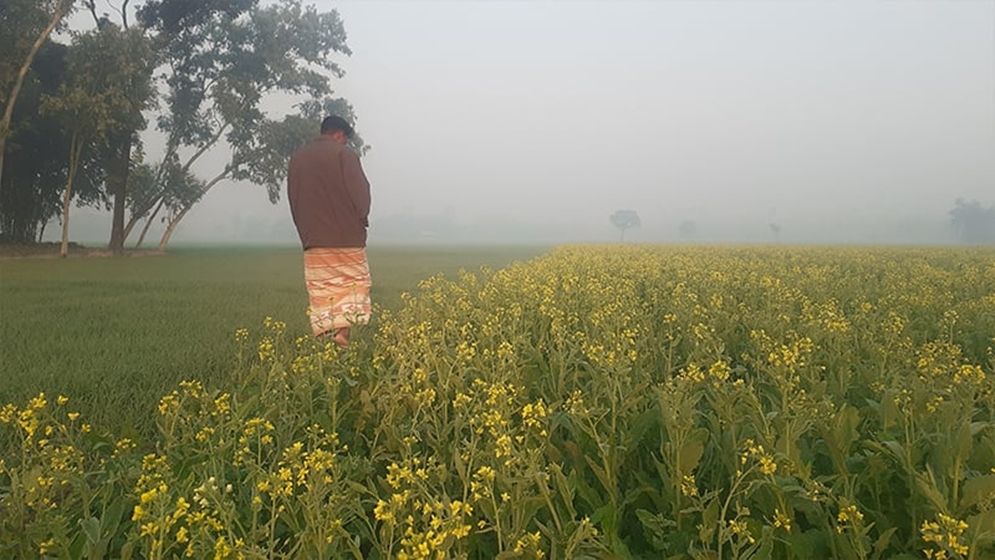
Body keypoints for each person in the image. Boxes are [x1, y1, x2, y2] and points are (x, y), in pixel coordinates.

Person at [287, 115, 372, 348]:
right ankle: (342, 335)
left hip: (314, 240)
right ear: (339, 135)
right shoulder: (344, 154)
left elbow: (293, 198)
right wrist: (361, 220)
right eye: (344, 139)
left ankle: (326, 341)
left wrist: (305, 231)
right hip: (348, 238)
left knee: (323, 290)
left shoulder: (297, 158)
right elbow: (361, 195)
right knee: (352, 286)